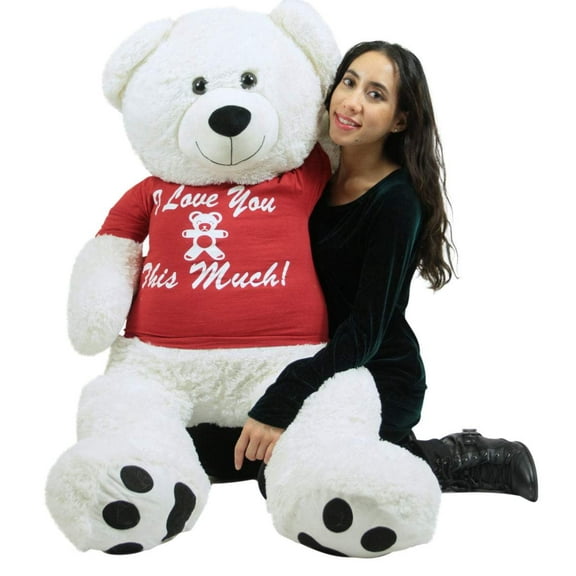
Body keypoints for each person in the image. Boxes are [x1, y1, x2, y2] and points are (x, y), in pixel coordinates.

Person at [196, 41, 537, 501]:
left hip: (377, 375)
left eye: (376, 94)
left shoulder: (397, 201)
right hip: (317, 362)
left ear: (400, 120)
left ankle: (454, 457)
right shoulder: (315, 172)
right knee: (210, 454)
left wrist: (285, 394)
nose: (352, 102)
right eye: (349, 82)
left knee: (287, 475)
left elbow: (365, 331)